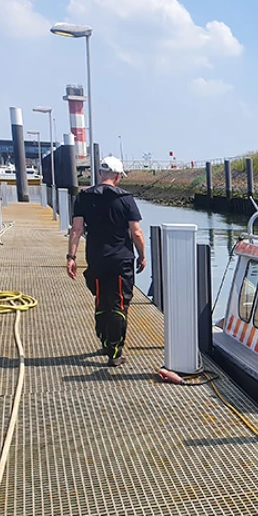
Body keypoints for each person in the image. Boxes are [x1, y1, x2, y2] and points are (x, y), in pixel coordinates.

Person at [66, 156, 146, 366]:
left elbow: (76, 230)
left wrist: (71, 257)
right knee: (119, 303)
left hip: (96, 258)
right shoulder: (126, 198)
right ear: (118, 176)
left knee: (101, 299)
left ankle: (103, 340)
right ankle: (115, 350)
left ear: (101, 174)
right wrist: (143, 255)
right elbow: (136, 232)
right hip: (121, 260)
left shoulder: (83, 197)